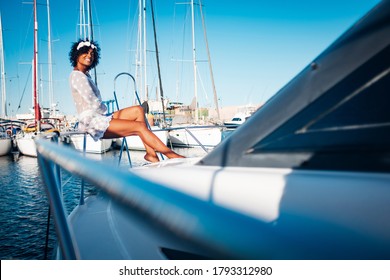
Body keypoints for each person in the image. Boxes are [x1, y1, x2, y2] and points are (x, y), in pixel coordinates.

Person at [68, 39, 184, 162]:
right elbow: (93, 102)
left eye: (92, 54)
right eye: (86, 53)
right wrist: (109, 115)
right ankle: (173, 156)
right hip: (91, 122)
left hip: (99, 117)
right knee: (139, 127)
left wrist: (109, 115)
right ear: (77, 55)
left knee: (138, 110)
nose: (89, 56)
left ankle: (151, 154)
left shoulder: (86, 75)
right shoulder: (77, 75)